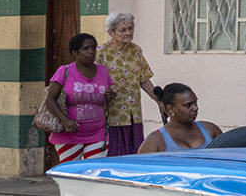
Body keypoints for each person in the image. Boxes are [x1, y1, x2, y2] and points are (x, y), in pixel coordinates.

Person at [39, 34, 114, 164]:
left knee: (95, 172)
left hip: (98, 133)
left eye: (93, 48)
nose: (91, 52)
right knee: (71, 172)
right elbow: (50, 100)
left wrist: (110, 95)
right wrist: (65, 120)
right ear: (75, 52)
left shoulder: (103, 71)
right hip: (69, 135)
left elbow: (107, 97)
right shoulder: (64, 71)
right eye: (86, 49)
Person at [100, 11, 162, 156]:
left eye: (130, 28)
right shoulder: (101, 52)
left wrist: (159, 101)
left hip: (133, 114)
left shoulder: (136, 51)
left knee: (135, 152)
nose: (128, 33)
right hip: (112, 115)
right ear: (111, 32)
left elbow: (144, 80)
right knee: (114, 154)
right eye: (123, 30)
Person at [138, 83, 221, 152]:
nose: (195, 108)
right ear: (170, 108)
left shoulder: (211, 131)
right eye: (188, 105)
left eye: (195, 103)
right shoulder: (155, 142)